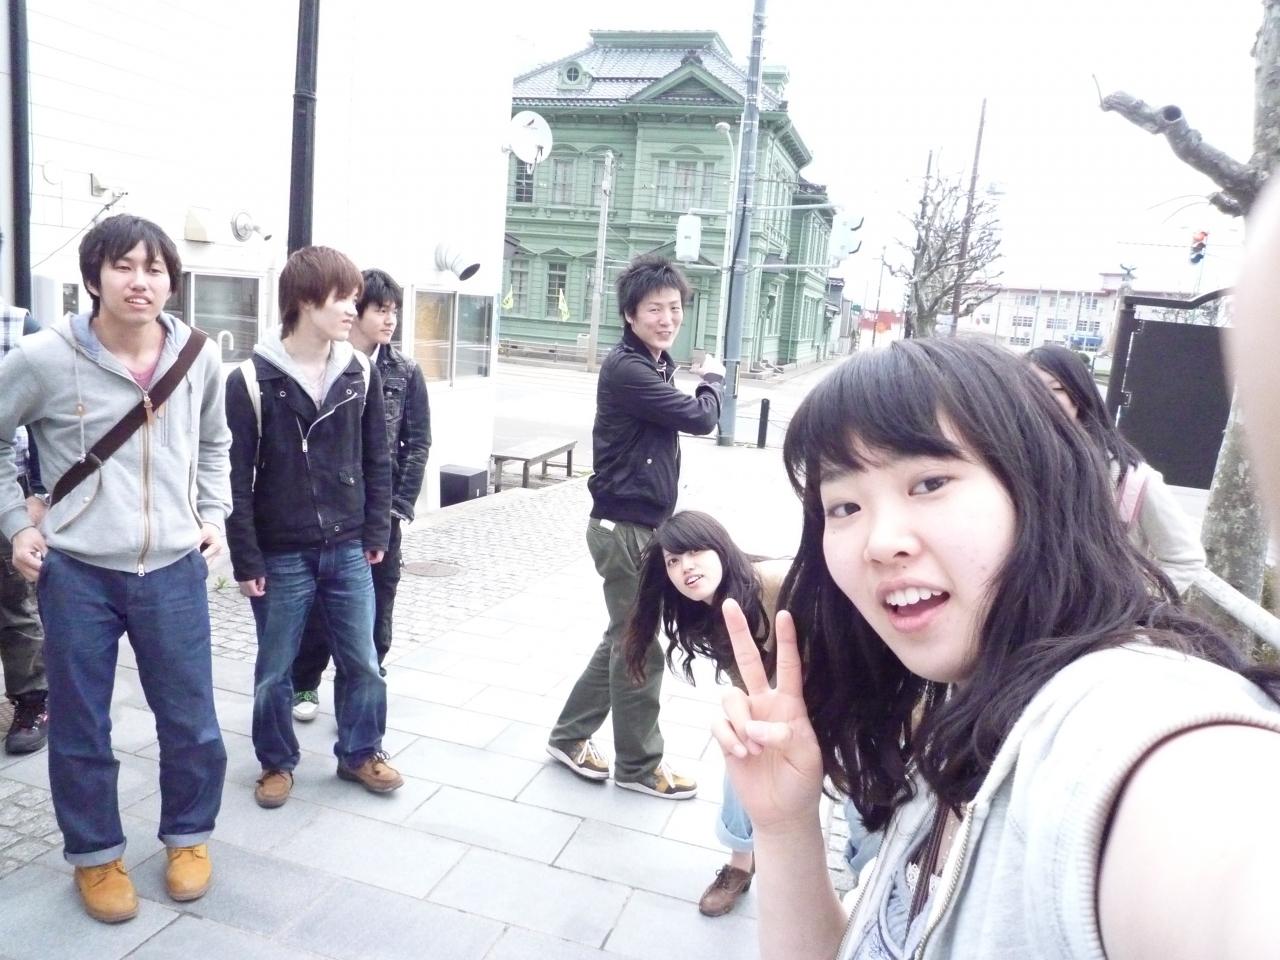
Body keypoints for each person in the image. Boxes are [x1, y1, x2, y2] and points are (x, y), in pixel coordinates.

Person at [713, 338, 1280, 960]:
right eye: (844, 505)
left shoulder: (1122, 723)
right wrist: (785, 826)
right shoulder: (956, 718)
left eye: (930, 482)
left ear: (1040, 488)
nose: (880, 541)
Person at [0, 214, 231, 922]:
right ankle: (96, 854)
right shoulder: (42, 358)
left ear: (171, 281)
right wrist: (16, 525)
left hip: (173, 569)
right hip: (77, 572)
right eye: (124, 266)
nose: (141, 281)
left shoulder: (199, 355)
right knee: (80, 726)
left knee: (191, 720)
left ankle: (188, 837)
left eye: (155, 269)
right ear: (94, 277)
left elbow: (215, 443)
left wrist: (212, 515)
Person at [225, 245, 402, 809]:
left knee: (362, 661)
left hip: (348, 545)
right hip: (280, 552)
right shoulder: (250, 380)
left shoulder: (359, 371)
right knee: (275, 669)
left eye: (355, 298)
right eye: (342, 298)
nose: (353, 309)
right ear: (304, 300)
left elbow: (378, 459)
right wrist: (246, 558)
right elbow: (234, 479)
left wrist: (375, 532)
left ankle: (361, 752)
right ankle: (276, 762)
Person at [546, 253, 724, 799]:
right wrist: (712, 380)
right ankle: (640, 767)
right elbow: (701, 418)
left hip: (636, 525)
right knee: (639, 645)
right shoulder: (629, 369)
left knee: (624, 636)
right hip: (624, 529)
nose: (667, 319)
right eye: (654, 309)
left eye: (674, 308)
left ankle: (569, 736)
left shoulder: (652, 363)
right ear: (630, 314)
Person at [621, 510, 790, 915]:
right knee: (741, 751)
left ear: (721, 547)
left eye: (695, 551)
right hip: (779, 704)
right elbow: (745, 681)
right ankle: (740, 863)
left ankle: (872, 884)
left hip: (846, 703)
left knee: (866, 811)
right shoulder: (707, 610)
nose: (686, 567)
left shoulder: (775, 583)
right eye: (673, 561)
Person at [290, 267, 430, 722]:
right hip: (331, 509)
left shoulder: (405, 371)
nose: (390, 320)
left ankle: (365, 684)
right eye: (380, 310)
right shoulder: (330, 363)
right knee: (318, 602)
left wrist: (398, 506)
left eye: (394, 311)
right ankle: (304, 681)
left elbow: (417, 443)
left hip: (381, 511)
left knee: (379, 601)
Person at [1027, 343, 1207, 595]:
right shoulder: (1006, 466)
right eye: (1030, 388)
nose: (1042, 398)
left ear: (1079, 397)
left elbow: (1185, 559)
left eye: (1056, 389)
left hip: (1093, 617)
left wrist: (1132, 606)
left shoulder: (1130, 479)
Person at [1, 297, 48, 755]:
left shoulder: (18, 326)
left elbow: (46, 413)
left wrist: (40, 492)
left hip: (7, 487)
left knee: (15, 603)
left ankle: (32, 702)